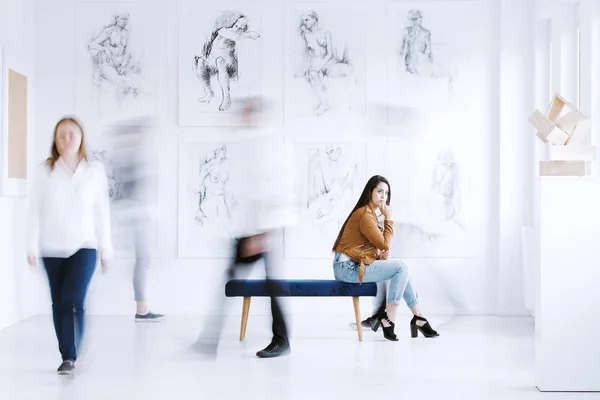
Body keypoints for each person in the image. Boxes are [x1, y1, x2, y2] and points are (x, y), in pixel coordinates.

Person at [194, 98, 297, 358]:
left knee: (266, 285)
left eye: (244, 114)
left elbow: (271, 190)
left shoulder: (267, 143)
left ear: (254, 115)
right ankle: (210, 341)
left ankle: (278, 340)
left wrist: (260, 234)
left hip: (263, 230)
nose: (238, 119)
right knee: (243, 282)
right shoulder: (252, 142)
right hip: (254, 229)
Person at [27, 116, 113, 374]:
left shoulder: (94, 171)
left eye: (72, 133)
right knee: (60, 303)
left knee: (72, 298)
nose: (67, 138)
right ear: (56, 140)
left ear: (81, 138)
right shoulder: (45, 172)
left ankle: (72, 350)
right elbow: (34, 211)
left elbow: (102, 212)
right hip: (51, 248)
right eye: (61, 134)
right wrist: (31, 245)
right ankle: (68, 355)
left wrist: (106, 248)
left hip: (85, 246)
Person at [332, 175, 439, 340]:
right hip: (347, 269)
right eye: (379, 191)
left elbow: (368, 247)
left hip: (351, 266)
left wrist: (379, 254)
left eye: (386, 193)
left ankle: (418, 317)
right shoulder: (365, 215)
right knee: (402, 267)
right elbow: (385, 244)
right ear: (370, 192)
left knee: (403, 269)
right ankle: (389, 319)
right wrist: (389, 219)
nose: (384, 196)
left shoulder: (370, 214)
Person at [106, 121, 164, 322]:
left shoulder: (130, 156)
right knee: (143, 260)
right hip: (135, 218)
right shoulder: (127, 158)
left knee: (144, 260)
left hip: (138, 217)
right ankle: (142, 308)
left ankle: (142, 307)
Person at [194, 13, 260, 111]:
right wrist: (249, 35)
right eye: (236, 25)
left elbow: (241, 40)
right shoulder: (223, 31)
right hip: (213, 62)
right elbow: (234, 36)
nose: (236, 29)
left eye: (240, 28)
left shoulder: (240, 36)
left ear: (244, 29)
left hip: (229, 64)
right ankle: (209, 93)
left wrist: (250, 35)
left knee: (221, 61)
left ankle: (226, 98)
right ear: (234, 24)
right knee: (199, 62)